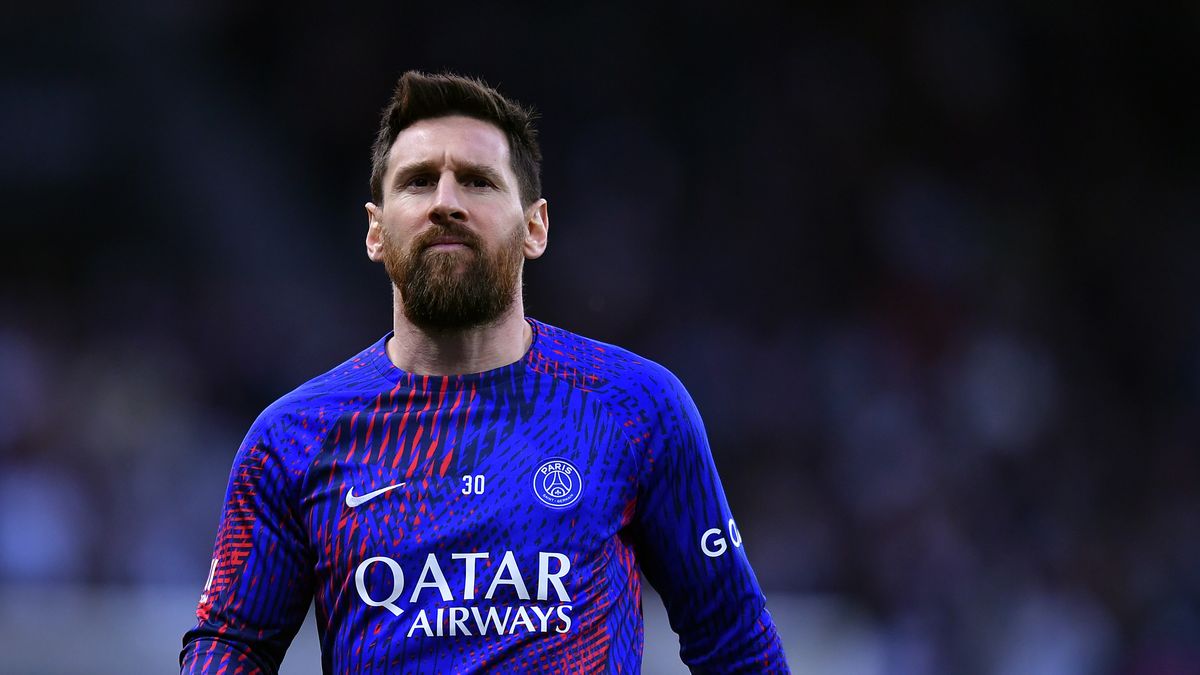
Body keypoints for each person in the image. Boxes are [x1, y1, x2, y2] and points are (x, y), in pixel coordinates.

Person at [180, 70, 788, 674]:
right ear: (375, 231)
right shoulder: (293, 437)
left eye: (477, 181)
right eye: (419, 183)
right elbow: (231, 645)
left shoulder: (635, 407)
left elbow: (735, 643)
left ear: (534, 226)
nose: (447, 202)